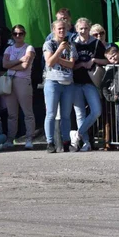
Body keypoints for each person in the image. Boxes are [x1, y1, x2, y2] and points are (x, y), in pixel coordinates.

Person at [70, 18, 107, 152]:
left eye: (86, 28)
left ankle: (77, 134)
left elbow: (106, 60)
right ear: (76, 29)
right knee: (80, 114)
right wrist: (80, 64)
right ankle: (86, 142)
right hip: (76, 82)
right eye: (81, 28)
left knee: (96, 111)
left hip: (91, 81)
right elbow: (70, 64)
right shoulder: (73, 43)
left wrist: (94, 60)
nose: (83, 31)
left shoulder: (96, 43)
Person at [43, 20, 76, 154]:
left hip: (68, 82)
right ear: (54, 30)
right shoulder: (49, 44)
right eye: (59, 29)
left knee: (66, 115)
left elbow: (72, 64)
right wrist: (60, 51)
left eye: (64, 29)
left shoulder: (71, 45)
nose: (62, 31)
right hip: (53, 82)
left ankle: (66, 141)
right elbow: (49, 62)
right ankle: (50, 142)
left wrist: (58, 59)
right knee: (51, 113)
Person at [2, 25, 36, 148]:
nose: (18, 36)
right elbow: (4, 64)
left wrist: (11, 65)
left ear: (24, 34)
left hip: (23, 81)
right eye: (15, 34)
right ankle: (11, 139)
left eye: (20, 33)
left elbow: (25, 66)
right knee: (12, 114)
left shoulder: (29, 48)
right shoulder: (9, 49)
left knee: (27, 112)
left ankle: (29, 138)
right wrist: (19, 60)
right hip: (9, 81)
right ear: (12, 35)